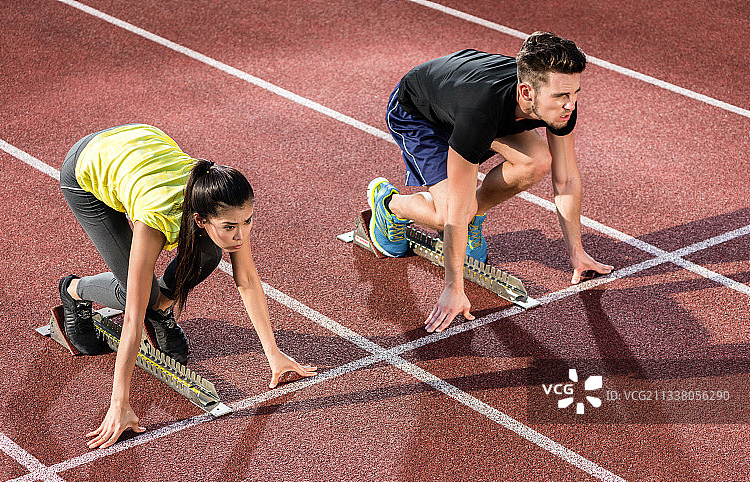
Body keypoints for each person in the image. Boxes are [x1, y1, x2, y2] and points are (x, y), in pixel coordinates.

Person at [58, 124, 317, 449]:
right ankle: (73, 290)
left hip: (143, 146)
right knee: (139, 294)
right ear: (199, 220)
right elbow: (130, 318)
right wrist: (118, 403)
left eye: (247, 221)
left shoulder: (222, 202)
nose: (240, 234)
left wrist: (274, 354)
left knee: (208, 252)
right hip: (88, 167)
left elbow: (247, 279)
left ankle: (162, 310)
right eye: (230, 227)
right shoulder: (155, 220)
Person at [368, 31, 613, 333]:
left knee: (537, 161)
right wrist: (453, 287)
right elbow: (457, 210)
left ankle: (474, 216)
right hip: (418, 113)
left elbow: (565, 179)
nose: (570, 105)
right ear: (527, 93)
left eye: (575, 93)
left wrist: (577, 253)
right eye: (562, 96)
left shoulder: (558, 107)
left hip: (464, 96)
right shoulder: (479, 116)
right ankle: (389, 205)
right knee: (450, 214)